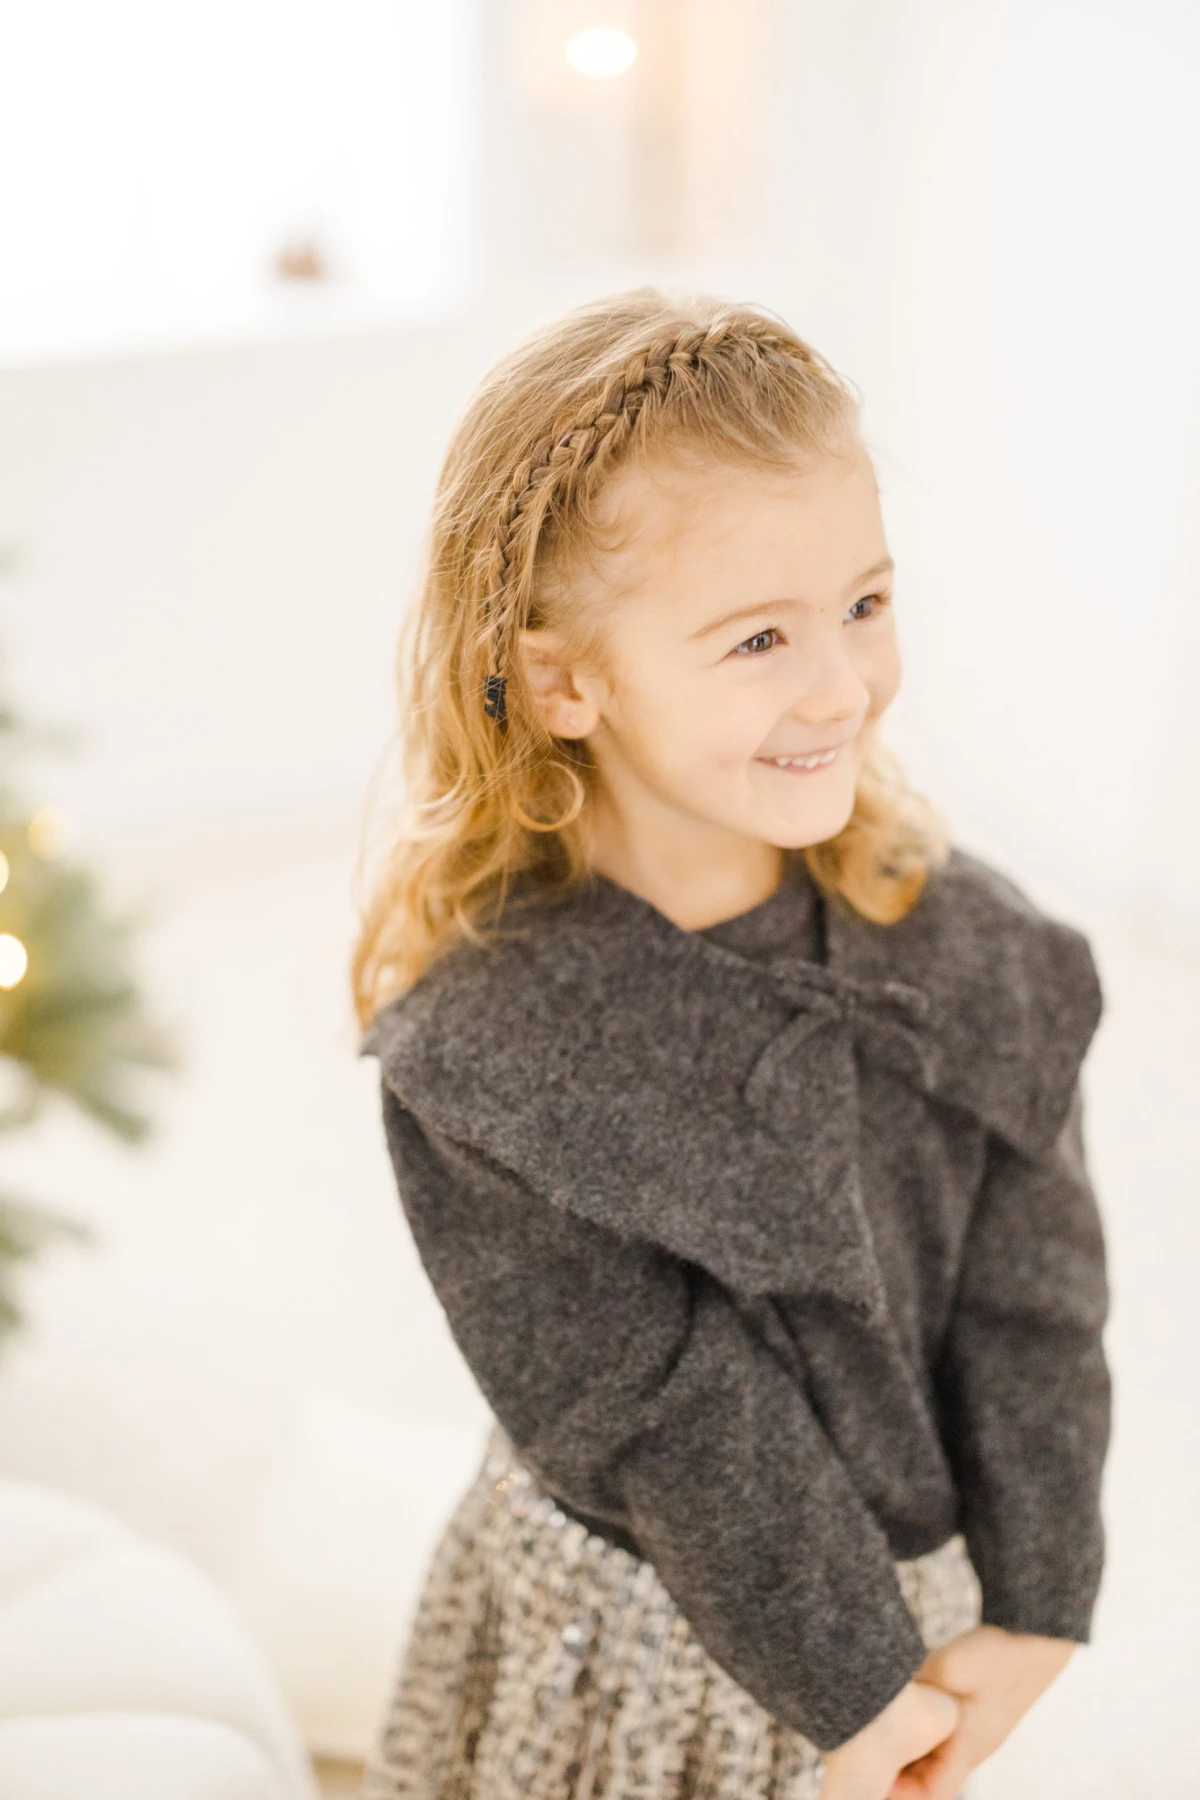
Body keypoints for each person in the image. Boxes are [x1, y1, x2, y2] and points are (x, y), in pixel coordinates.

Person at [350, 288, 1111, 1800]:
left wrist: (1042, 1598)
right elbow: (657, 1407)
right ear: (564, 679)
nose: (841, 687)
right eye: (759, 636)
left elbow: (1038, 1300)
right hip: (638, 1638)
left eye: (866, 605)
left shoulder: (982, 957)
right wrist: (854, 1685)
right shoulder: (488, 1051)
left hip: (908, 1623)